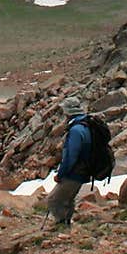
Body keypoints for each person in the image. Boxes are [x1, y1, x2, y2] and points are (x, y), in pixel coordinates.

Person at [46, 96, 91, 228]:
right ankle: (67, 224)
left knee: (53, 200)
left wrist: (61, 174)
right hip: (83, 171)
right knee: (67, 199)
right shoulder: (85, 125)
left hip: (74, 172)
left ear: (68, 112)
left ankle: (62, 226)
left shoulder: (76, 130)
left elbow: (71, 156)